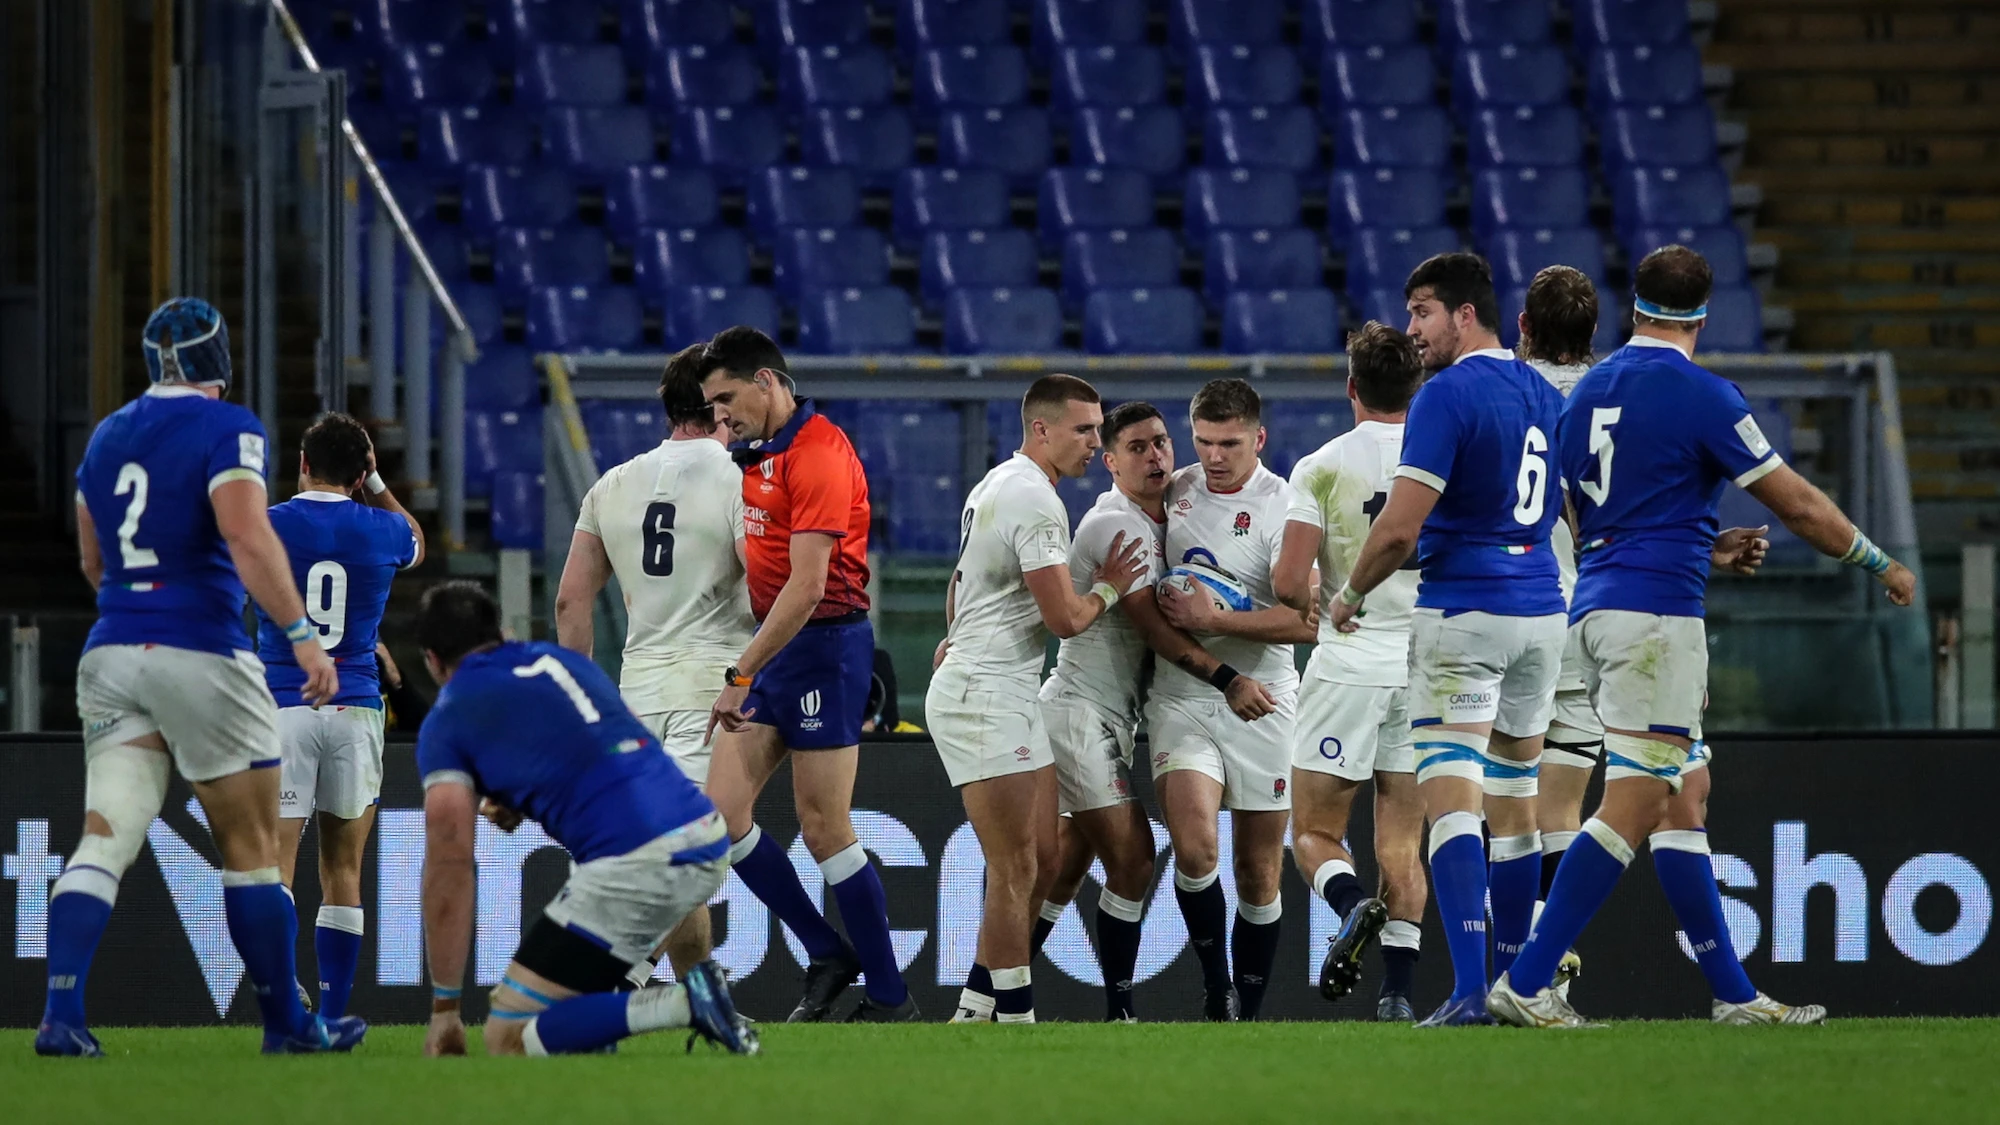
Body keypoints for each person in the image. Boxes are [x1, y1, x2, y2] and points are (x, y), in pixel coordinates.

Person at [1491, 244, 1914, 1027]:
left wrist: (1696, 541)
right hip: (1656, 619)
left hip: (1600, 603)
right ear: (1703, 315)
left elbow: (1572, 509)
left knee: (1686, 796)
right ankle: (1528, 976)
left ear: (1637, 306)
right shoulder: (1703, 394)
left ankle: (1735, 996)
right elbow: (1796, 505)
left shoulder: (1588, 394)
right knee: (1637, 799)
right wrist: (1876, 559)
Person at [44, 297, 362, 1055]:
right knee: (250, 845)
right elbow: (246, 534)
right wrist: (303, 639)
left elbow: (92, 559)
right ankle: (288, 1024)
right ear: (219, 361)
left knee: (104, 834)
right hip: (203, 649)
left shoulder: (106, 435)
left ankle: (60, 1014)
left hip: (113, 649)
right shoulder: (230, 429)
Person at [1330, 254, 1568, 1027]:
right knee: (1518, 801)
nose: (1411, 329)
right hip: (1541, 615)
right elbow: (1571, 508)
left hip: (1464, 612)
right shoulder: (1543, 389)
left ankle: (1471, 989)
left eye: (1422, 311)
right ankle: (1515, 987)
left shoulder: (1446, 397)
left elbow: (1399, 528)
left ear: (1466, 314)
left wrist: (1349, 593)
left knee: (1453, 801)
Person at [412, 582, 757, 1057]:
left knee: (506, 1034)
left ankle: (685, 1003)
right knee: (577, 1003)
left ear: (432, 660)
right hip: (702, 831)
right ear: (503, 632)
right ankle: (627, 1030)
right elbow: (611, 739)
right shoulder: (564, 663)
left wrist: (445, 1009)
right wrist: (520, 793)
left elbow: (449, 857)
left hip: (634, 857)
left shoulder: (448, 719)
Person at [698, 326, 914, 1022]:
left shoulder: (819, 452)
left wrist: (740, 670)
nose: (719, 417)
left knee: (824, 827)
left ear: (767, 381)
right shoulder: (755, 450)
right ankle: (826, 951)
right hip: (776, 650)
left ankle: (890, 997)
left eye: (727, 399)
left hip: (824, 648)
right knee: (719, 815)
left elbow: (809, 585)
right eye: (710, 406)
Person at [929, 375, 1148, 1023]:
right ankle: (1017, 1019)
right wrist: (1110, 587)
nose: (1096, 441)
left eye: (1098, 427)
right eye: (1084, 429)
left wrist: (953, 633)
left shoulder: (999, 483)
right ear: (1041, 429)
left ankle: (973, 1009)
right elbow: (1065, 618)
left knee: (1046, 856)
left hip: (1007, 687)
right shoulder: (1034, 500)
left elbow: (961, 577)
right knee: (1016, 862)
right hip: (984, 694)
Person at [555, 344, 754, 981]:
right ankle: (626, 976)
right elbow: (766, 584)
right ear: (718, 405)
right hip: (714, 688)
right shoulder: (741, 477)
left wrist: (582, 701)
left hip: (634, 690)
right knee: (685, 855)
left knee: (655, 850)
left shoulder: (611, 484)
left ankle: (667, 987)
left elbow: (570, 601)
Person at [1149, 379, 1319, 1021]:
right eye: (1204, 441)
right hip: (1184, 694)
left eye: (1230, 443)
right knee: (1194, 848)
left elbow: (1307, 623)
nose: (1214, 456)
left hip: (1267, 699)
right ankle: (1215, 987)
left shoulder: (1286, 506)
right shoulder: (1175, 491)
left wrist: (1215, 616)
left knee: (1257, 873)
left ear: (1259, 438)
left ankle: (1247, 1011)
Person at [1273, 323, 1429, 1023]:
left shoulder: (1322, 465)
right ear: (1416, 386)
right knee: (1402, 839)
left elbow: (1285, 581)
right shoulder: (1441, 458)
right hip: (1426, 664)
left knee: (1313, 829)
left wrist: (1314, 593)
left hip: (1349, 661)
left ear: (1351, 388)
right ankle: (1397, 995)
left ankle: (1348, 903)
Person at [252, 412, 423, 1022]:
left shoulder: (267, 525)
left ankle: (278, 990)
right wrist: (377, 486)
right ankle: (334, 1012)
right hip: (355, 707)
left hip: (282, 702)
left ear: (302, 462)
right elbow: (417, 542)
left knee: (276, 861)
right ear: (361, 473)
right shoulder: (381, 530)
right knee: (342, 867)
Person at [1029, 401, 1174, 1021]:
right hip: (1078, 713)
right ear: (1110, 463)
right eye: (1136, 448)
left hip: (1106, 715)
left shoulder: (1173, 511)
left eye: (1161, 443)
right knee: (1136, 859)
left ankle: (987, 990)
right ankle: (1119, 1011)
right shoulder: (1116, 526)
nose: (1155, 456)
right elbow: (1157, 628)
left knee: (1063, 868)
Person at [1516, 266, 1606, 998]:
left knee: (1498, 796)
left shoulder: (1503, 392)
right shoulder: (1619, 397)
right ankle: (1547, 976)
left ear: (1523, 325)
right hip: (1598, 619)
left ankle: (1508, 965)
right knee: (1563, 812)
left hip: (1513, 611)